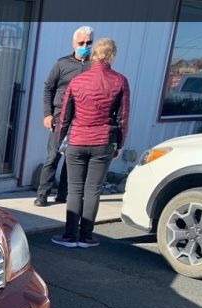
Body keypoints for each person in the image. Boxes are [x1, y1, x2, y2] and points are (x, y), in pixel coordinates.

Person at [52, 38, 130, 248]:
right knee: (93, 190)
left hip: (77, 139)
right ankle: (86, 236)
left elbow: (65, 116)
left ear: (93, 54)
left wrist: (61, 142)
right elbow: (123, 117)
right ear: (112, 55)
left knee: (74, 189)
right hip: (103, 141)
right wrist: (119, 143)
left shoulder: (78, 81)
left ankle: (69, 236)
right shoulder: (120, 81)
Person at [34, 26, 94, 207]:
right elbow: (48, 89)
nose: (85, 46)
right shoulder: (62, 64)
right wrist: (47, 114)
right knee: (53, 157)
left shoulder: (95, 66)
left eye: (88, 43)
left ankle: (63, 194)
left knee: (72, 158)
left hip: (82, 120)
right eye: (81, 43)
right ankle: (42, 195)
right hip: (60, 117)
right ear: (73, 43)